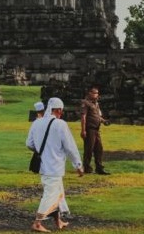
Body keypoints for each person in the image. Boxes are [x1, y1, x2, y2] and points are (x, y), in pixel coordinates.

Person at [27, 98, 84, 232]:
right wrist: (78, 164)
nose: (61, 114)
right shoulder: (60, 124)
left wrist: (42, 150)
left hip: (43, 165)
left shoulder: (36, 123)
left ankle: (58, 221)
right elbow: (70, 146)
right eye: (61, 111)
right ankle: (37, 222)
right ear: (58, 110)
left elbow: (29, 144)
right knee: (51, 195)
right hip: (55, 166)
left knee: (58, 194)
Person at [80, 86, 109, 175]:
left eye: (97, 93)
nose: (96, 94)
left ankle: (99, 168)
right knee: (89, 149)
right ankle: (87, 167)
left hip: (96, 130)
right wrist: (83, 130)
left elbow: (98, 116)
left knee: (99, 149)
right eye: (94, 93)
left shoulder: (96, 104)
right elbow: (83, 117)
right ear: (90, 93)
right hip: (90, 129)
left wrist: (104, 121)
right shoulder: (85, 103)